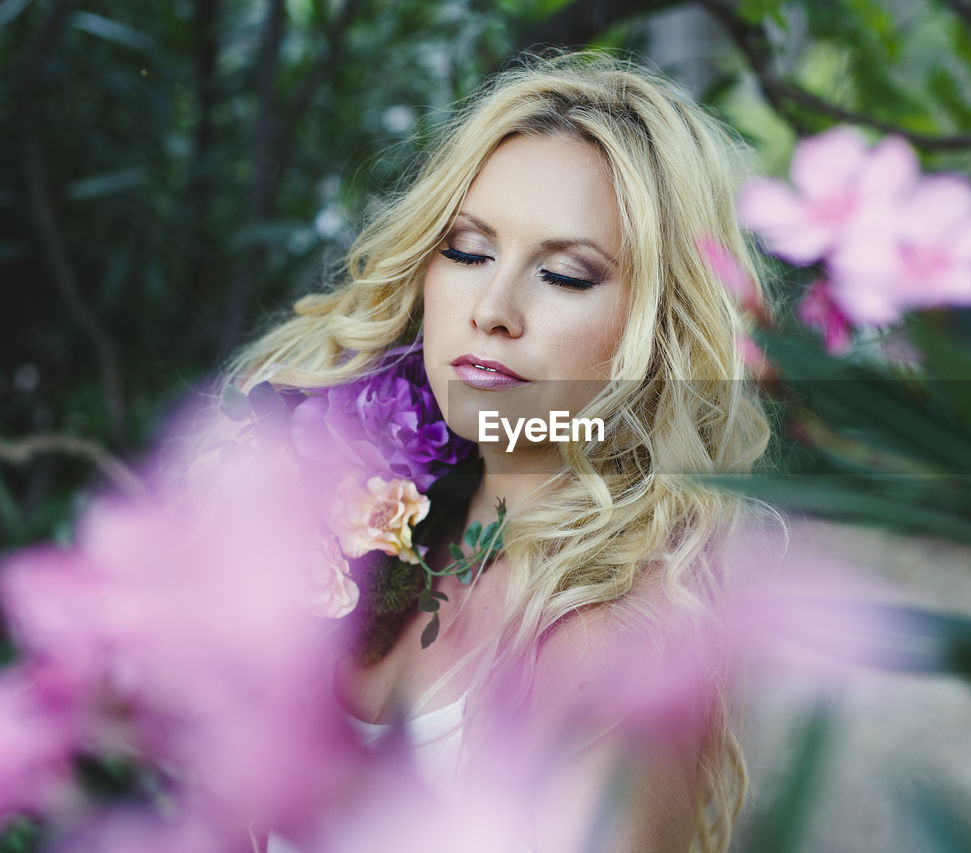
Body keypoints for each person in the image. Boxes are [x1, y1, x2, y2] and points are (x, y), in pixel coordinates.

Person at [227, 49, 772, 853]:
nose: (493, 307)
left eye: (563, 274)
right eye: (470, 250)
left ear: (657, 331)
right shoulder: (389, 517)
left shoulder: (613, 640)